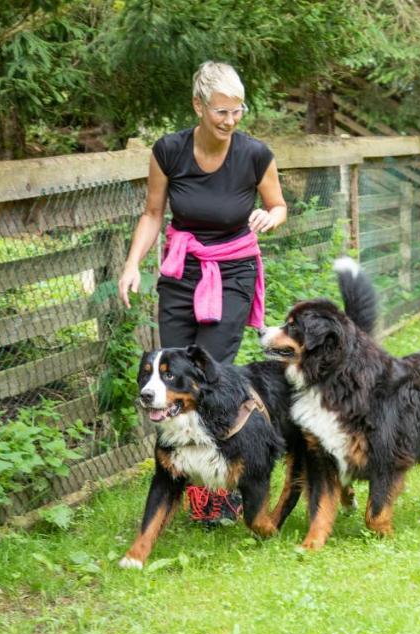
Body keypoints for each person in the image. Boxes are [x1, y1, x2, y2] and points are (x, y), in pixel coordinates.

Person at [118, 60, 287, 524]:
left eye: (238, 111)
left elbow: (278, 205)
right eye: (221, 112)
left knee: (211, 374)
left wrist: (271, 217)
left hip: (232, 274)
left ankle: (219, 491)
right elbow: (153, 214)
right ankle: (180, 477)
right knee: (170, 375)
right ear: (198, 105)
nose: (230, 121)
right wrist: (132, 265)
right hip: (180, 271)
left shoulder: (255, 155)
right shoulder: (169, 151)